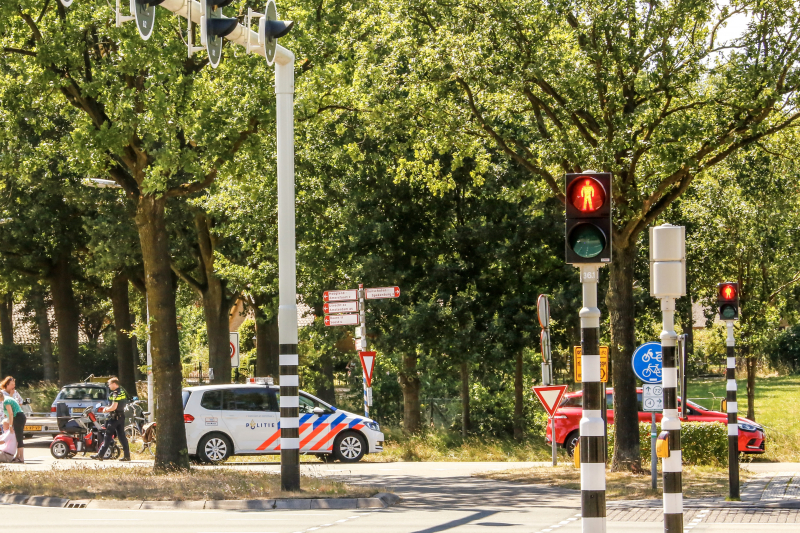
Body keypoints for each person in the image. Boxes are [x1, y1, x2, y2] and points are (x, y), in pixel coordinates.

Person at [91, 377, 130, 462]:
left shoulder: (115, 393)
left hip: (114, 418)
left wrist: (106, 409)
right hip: (121, 416)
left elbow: (114, 407)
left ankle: (100, 455)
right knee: (122, 436)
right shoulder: (122, 392)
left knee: (107, 436)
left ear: (114, 384)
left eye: (109, 384)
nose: (109, 386)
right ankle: (127, 455)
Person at [0, 377, 25, 463]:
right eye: (12, 384)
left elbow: (18, 403)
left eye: (14, 384)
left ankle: (19, 456)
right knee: (8, 436)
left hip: (13, 417)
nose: (14, 386)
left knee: (15, 437)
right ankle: (15, 455)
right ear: (7, 384)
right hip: (4, 418)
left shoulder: (14, 393)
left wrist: (10, 424)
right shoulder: (2, 393)